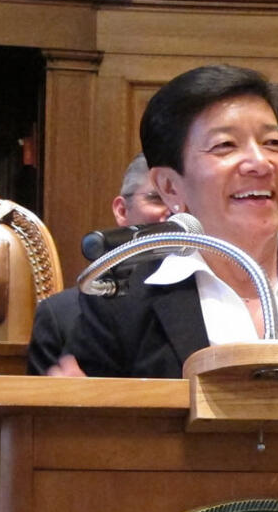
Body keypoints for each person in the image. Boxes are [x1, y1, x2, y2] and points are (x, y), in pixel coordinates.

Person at [29, 63, 278, 383]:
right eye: (225, 146)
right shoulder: (123, 304)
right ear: (169, 186)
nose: (260, 163)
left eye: (273, 143)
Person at [27, 153, 170, 372]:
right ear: (122, 211)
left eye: (185, 202)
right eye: (157, 198)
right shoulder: (60, 316)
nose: (174, 212)